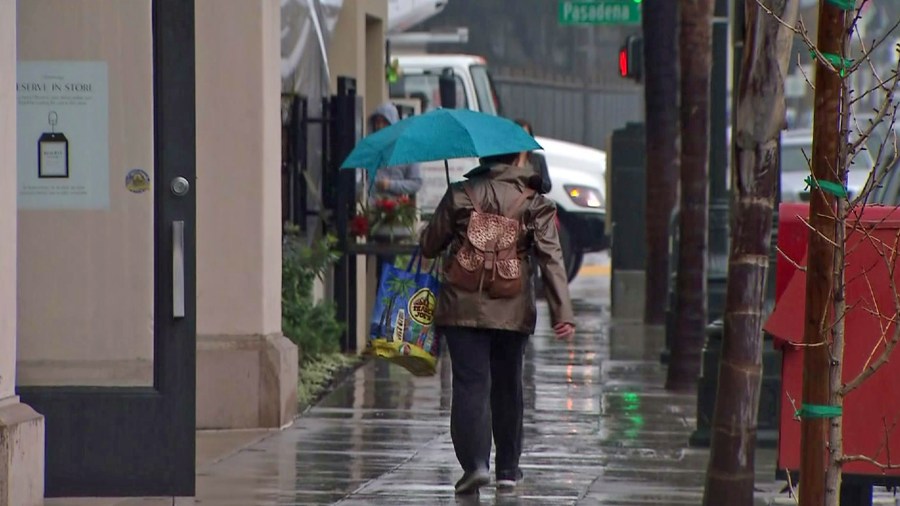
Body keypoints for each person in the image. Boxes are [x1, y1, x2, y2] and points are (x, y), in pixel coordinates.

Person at [419, 150, 576, 495]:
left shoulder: (460, 194)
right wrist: (562, 313)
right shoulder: (535, 202)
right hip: (512, 309)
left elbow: (429, 246)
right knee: (508, 386)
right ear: (519, 157)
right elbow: (552, 259)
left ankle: (475, 464)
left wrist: (438, 224)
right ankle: (507, 469)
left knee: (470, 386)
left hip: (461, 308)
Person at [369, 102, 423, 205]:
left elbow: (416, 183)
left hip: (396, 211)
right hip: (371, 210)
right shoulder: (370, 149)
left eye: (385, 122)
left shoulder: (408, 150)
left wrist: (390, 185)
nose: (380, 126)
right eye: (377, 122)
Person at [514, 119, 551, 194]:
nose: (522, 138)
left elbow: (548, 186)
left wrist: (537, 182)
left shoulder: (538, 159)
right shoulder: (506, 159)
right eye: (519, 134)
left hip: (532, 201)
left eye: (525, 134)